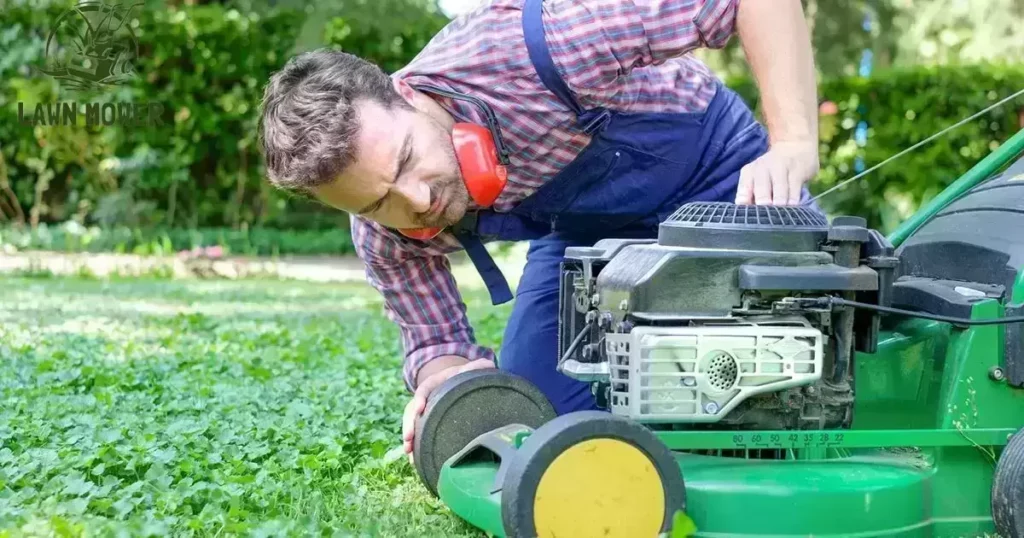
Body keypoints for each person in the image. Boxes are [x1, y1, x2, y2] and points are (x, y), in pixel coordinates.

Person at [258, 0, 822, 461]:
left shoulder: (539, 47)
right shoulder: (383, 232)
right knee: (535, 400)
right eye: (381, 201)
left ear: (406, 92)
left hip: (714, 171)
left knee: (816, 326)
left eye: (407, 159)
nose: (420, 201)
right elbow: (437, 345)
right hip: (587, 236)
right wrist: (453, 379)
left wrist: (793, 142)